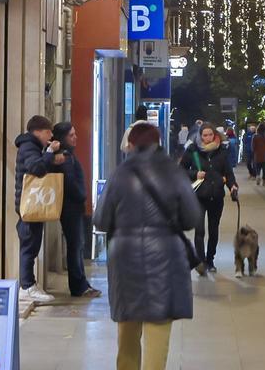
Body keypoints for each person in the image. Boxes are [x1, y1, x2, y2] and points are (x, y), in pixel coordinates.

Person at [94, 123, 201, 370]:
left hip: (125, 260)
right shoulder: (174, 173)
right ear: (158, 143)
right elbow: (191, 218)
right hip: (166, 260)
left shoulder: (119, 174)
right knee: (158, 331)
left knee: (128, 331)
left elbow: (100, 220)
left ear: (131, 145)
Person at [15, 114, 64, 303]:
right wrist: (50, 153)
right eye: (47, 132)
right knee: (29, 244)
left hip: (32, 204)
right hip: (29, 205)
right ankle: (27, 286)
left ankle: (29, 283)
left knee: (33, 244)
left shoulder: (34, 147)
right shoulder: (28, 147)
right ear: (37, 132)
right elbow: (36, 168)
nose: (50, 135)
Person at [180, 124, 239, 274]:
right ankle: (200, 262)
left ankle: (210, 259)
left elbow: (228, 172)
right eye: (204, 135)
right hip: (198, 196)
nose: (207, 138)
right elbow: (180, 171)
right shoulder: (192, 150)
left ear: (214, 135)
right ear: (200, 136)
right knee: (199, 230)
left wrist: (232, 186)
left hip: (216, 196)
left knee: (214, 230)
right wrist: (194, 174)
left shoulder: (221, 151)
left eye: (210, 135)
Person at [52, 122, 100, 298]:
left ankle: (81, 283)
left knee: (77, 246)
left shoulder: (68, 156)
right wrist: (81, 195)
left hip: (74, 207)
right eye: (71, 135)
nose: (75, 137)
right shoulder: (64, 157)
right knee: (76, 245)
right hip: (70, 208)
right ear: (63, 138)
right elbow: (70, 182)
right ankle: (78, 285)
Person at [253, 120, 265, 186]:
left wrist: (254, 152)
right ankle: (264, 181)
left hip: (257, 155)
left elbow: (253, 146)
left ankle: (258, 175)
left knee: (257, 167)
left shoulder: (255, 136)